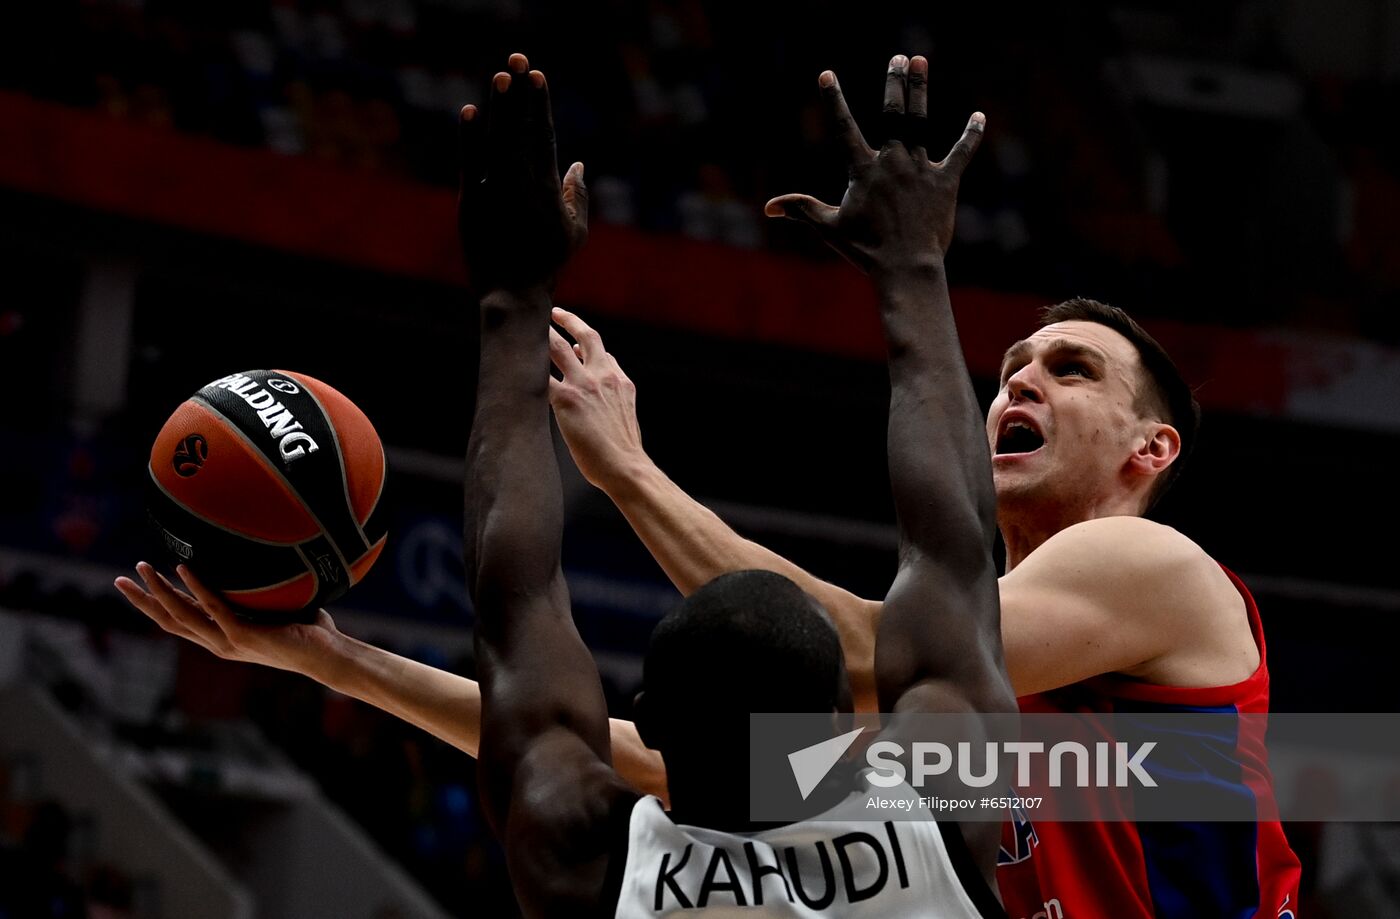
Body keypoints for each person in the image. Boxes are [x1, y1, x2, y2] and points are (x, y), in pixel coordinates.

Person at [118, 49, 1302, 919]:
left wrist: (629, 475)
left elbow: (848, 645)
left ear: (1151, 452)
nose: (1018, 386)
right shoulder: (978, 718)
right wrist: (333, 661)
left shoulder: (1151, 564)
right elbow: (655, 758)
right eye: (1004, 370)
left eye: (1071, 370)